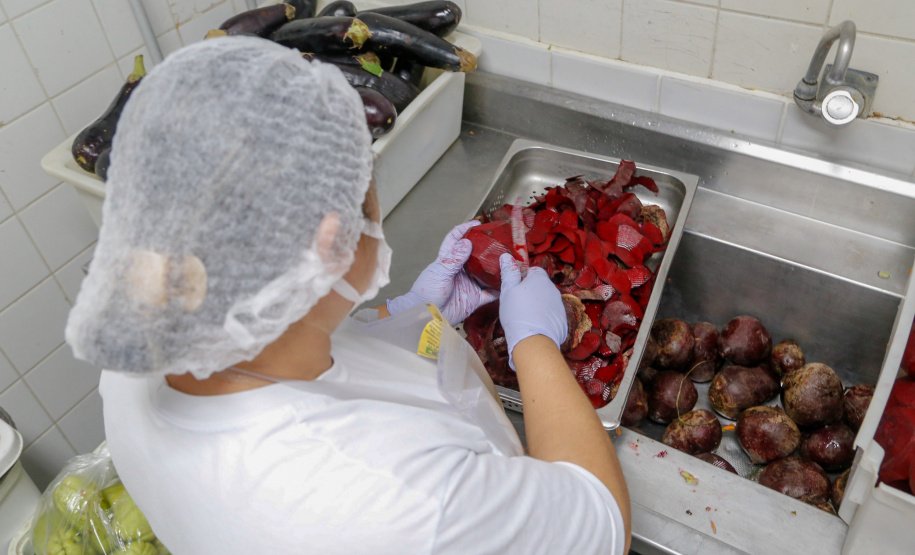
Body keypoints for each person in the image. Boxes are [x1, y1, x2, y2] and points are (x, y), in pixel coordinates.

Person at [66, 37, 631, 554]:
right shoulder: (395, 500)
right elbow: (601, 519)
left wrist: (406, 316)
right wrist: (533, 343)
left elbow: (304, 362)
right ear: (334, 243)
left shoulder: (135, 361)